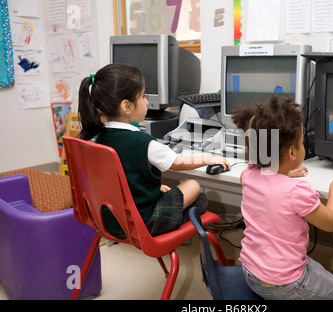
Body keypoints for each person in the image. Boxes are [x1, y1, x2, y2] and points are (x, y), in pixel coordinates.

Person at [232, 95, 333, 300]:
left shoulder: (249, 173)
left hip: (250, 271)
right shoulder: (296, 191)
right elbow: (332, 223)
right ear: (293, 153)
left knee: (314, 267)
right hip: (281, 284)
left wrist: (281, 173)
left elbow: (266, 182)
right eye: (302, 143)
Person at [78, 63, 229, 238]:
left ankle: (171, 209)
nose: (147, 101)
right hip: (142, 223)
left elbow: (124, 179)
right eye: (143, 96)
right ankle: (177, 217)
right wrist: (207, 159)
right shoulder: (143, 142)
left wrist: (150, 190)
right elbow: (178, 162)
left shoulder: (99, 138)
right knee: (195, 188)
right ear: (126, 106)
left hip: (111, 221)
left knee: (167, 189)